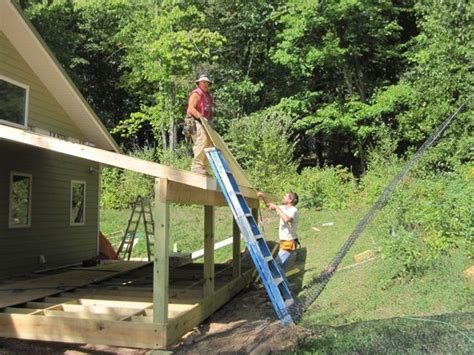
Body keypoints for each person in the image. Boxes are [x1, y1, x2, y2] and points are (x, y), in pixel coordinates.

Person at [257, 191, 299, 272]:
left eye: (285, 196)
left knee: (277, 266)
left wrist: (277, 208)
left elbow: (287, 219)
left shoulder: (293, 210)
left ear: (290, 200)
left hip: (289, 242)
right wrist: (263, 196)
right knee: (280, 267)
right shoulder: (283, 208)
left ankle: (285, 285)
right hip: (284, 242)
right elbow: (269, 205)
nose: (283, 197)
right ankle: (285, 284)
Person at [186, 74, 214, 175]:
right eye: (203, 82)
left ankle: (203, 167)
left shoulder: (208, 96)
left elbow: (209, 112)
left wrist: (210, 122)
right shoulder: (196, 94)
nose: (205, 84)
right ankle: (197, 166)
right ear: (199, 83)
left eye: (207, 83)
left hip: (203, 121)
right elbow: (191, 108)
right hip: (193, 120)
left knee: (209, 142)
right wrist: (201, 118)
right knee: (202, 139)